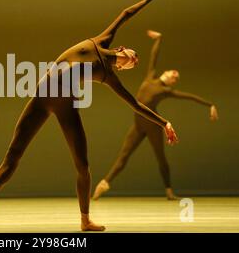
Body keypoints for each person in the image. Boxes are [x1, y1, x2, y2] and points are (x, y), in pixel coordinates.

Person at [0, 0, 178, 232]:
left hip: (59, 100)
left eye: (134, 64)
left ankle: (80, 219)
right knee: (14, 154)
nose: (134, 60)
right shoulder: (102, 42)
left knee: (83, 166)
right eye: (134, 56)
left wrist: (164, 121)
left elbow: (134, 104)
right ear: (123, 49)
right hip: (46, 92)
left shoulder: (109, 77)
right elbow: (124, 14)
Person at [92, 30, 218, 201]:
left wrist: (209, 105)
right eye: (172, 71)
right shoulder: (151, 76)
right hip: (138, 125)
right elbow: (154, 56)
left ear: (173, 81)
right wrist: (159, 39)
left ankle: (169, 191)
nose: (173, 73)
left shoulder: (166, 90)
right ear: (165, 72)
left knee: (161, 158)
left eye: (176, 76)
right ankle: (104, 183)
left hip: (153, 126)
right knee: (124, 155)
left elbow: (190, 97)